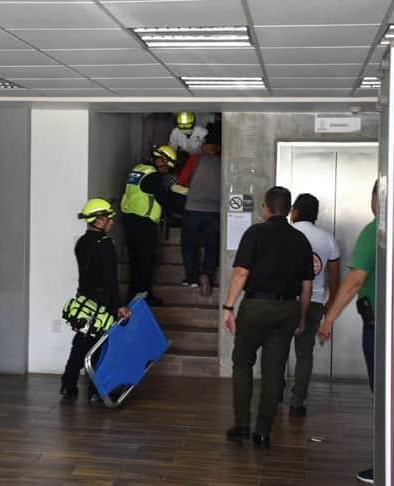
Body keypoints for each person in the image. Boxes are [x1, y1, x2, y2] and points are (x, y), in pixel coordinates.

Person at [318, 181, 394, 485]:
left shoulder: (377, 230)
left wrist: (329, 318)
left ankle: (391, 468)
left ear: (376, 198)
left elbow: (356, 279)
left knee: (386, 397)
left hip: (385, 329)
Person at [223, 186, 314, 448]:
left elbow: (241, 273)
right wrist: (302, 316)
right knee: (274, 371)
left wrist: (229, 307)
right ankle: (263, 432)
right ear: (287, 210)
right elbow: (307, 286)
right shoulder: (301, 241)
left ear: (266, 207)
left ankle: (241, 426)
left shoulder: (255, 233)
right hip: (288, 309)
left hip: (256, 306)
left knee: (242, 363)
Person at [61, 199, 130, 401]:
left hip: (84, 301)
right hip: (102, 303)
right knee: (101, 347)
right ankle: (97, 390)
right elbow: (110, 279)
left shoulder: (81, 242)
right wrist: (119, 306)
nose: (112, 222)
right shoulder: (106, 244)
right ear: (100, 220)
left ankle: (68, 384)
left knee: (80, 343)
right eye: (109, 218)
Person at [288, 193, 340, 417]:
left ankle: (274, 394)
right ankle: (297, 402)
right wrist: (330, 304)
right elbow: (335, 280)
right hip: (316, 302)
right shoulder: (328, 240)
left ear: (296, 212)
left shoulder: (286, 235)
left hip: (285, 301)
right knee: (304, 354)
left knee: (277, 349)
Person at [120, 145, 177, 306]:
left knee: (135, 260)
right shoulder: (153, 176)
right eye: (167, 166)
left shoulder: (138, 169)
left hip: (130, 219)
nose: (167, 170)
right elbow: (164, 199)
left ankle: (133, 294)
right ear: (161, 160)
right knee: (145, 261)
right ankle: (144, 296)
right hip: (143, 223)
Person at [180, 123, 221, 296]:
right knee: (212, 245)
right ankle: (207, 273)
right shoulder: (223, 163)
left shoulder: (195, 159)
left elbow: (182, 180)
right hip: (215, 211)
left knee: (189, 245)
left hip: (193, 209)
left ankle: (192, 278)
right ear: (218, 148)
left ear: (204, 146)